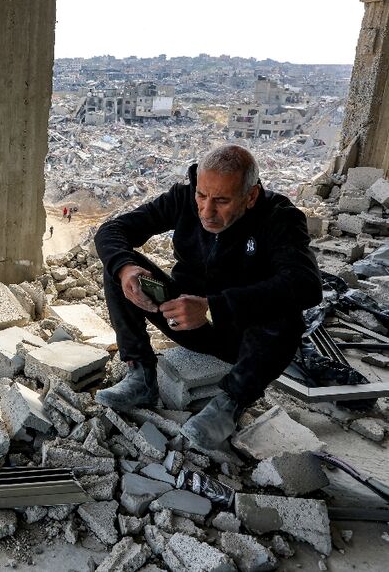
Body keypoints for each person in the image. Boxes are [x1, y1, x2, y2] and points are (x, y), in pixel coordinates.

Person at [93, 145, 322, 450]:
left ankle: (230, 403)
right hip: (182, 319)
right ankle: (141, 374)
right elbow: (113, 230)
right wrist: (125, 269)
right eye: (202, 196)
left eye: (222, 201)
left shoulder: (279, 218)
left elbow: (306, 285)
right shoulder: (184, 197)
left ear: (250, 197)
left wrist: (213, 308)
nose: (206, 211)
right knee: (121, 268)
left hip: (244, 342)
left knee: (286, 314)